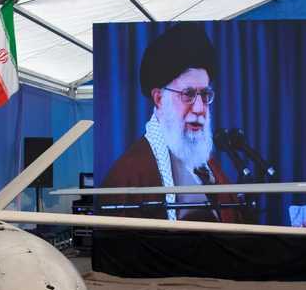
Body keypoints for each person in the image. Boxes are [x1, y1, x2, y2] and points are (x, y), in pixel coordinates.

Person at [97, 22, 243, 223]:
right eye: (188, 94)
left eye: (204, 94)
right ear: (159, 99)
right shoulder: (127, 176)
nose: (199, 108)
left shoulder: (208, 164)